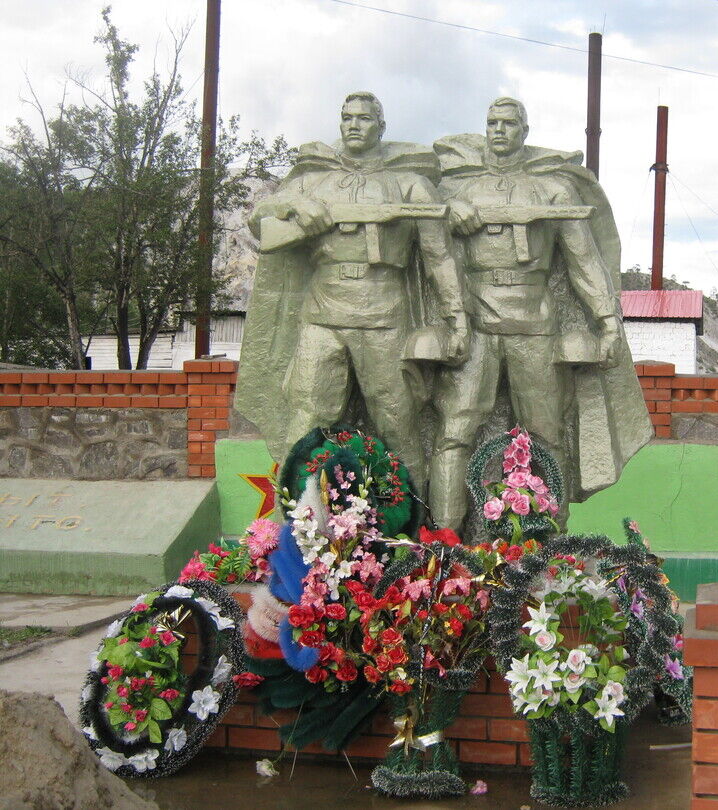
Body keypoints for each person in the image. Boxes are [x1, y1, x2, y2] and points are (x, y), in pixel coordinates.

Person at [428, 97, 652, 531]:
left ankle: (549, 543)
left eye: (508, 124)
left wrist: (607, 322)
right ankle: (444, 546)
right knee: (454, 432)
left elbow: (585, 261)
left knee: (546, 435)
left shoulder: (554, 190)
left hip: (535, 326)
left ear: (524, 131)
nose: (498, 131)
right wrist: (445, 211)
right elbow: (426, 243)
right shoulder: (459, 190)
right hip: (476, 325)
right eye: (491, 122)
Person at [234, 91, 468, 488]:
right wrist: (292, 208)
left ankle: (413, 527)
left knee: (397, 423)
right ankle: (294, 524)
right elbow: (259, 215)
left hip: (383, 315)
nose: (353, 125)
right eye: (347, 118)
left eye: (363, 118)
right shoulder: (313, 181)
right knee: (307, 418)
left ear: (381, 126)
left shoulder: (410, 186)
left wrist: (457, 318)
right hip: (322, 315)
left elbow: (439, 257)